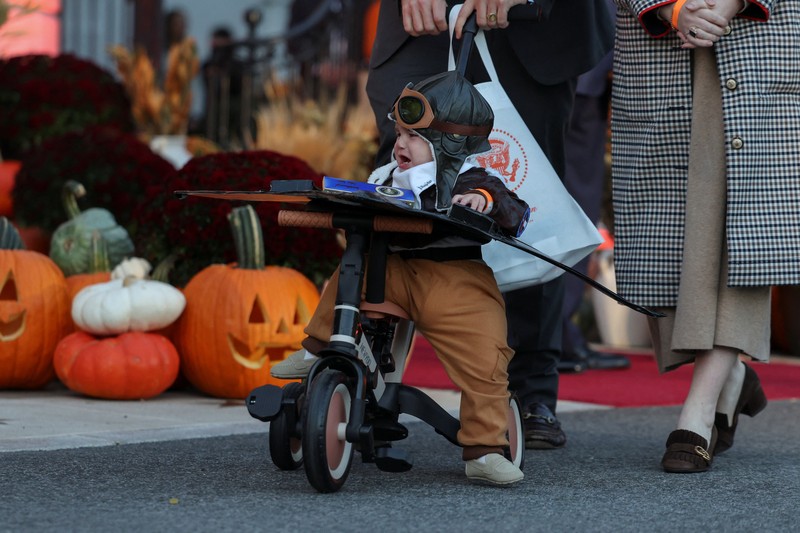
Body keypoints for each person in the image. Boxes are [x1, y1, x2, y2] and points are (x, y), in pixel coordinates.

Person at [364, 0, 614, 449]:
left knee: (527, 189)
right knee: (402, 184)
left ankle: (530, 389)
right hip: (419, 26)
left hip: (531, 28)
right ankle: (365, 376)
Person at [273, 71, 530, 486]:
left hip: (455, 283)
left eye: (414, 137)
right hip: (388, 270)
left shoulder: (470, 179)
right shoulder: (384, 178)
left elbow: (511, 208)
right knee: (349, 272)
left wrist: (481, 202)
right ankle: (321, 346)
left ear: (447, 144)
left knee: (485, 358)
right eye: (399, 134)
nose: (400, 145)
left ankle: (485, 447)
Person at [611, 0, 799, 472]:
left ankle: (697, 415)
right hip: (660, 49)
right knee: (666, 237)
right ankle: (730, 376)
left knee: (744, 228)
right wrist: (670, 9)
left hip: (761, 44)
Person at [558, 49, 632, 373]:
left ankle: (550, 333)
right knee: (576, 202)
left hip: (561, 72)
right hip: (583, 70)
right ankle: (557, 335)